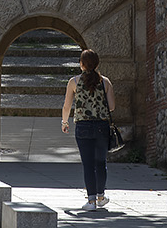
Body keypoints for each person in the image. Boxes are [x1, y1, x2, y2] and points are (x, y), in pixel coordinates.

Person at [61, 49, 116, 211]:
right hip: (102, 126)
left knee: (88, 164)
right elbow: (112, 107)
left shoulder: (74, 82)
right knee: (101, 162)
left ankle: (91, 201)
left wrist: (64, 122)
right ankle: (100, 196)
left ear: (81, 64)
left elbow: (67, 105)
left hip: (83, 127)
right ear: (97, 64)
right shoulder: (105, 82)